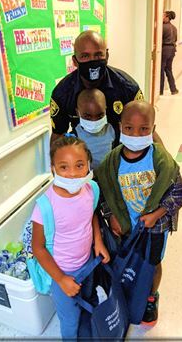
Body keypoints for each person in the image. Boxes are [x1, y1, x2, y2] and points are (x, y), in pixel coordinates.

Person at [94, 100, 182, 325]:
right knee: (130, 260)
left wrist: (156, 214)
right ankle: (130, 290)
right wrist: (111, 216)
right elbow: (103, 193)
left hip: (155, 227)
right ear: (120, 127)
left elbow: (180, 192)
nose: (136, 134)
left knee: (152, 263)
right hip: (126, 226)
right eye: (129, 128)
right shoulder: (112, 162)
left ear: (153, 130)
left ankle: (150, 297)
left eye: (144, 129)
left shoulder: (162, 161)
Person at [31, 135, 110, 339]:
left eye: (79, 165)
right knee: (70, 318)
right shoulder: (45, 207)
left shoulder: (91, 189)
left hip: (88, 263)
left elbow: (90, 213)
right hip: (62, 271)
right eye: (64, 167)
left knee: (90, 299)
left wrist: (98, 241)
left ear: (88, 165)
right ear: (53, 168)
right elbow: (38, 248)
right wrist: (61, 279)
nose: (73, 174)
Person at [50, 30, 145, 146]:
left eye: (98, 55)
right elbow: (58, 134)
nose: (93, 61)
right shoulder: (62, 93)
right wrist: (55, 163)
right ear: (75, 61)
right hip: (82, 157)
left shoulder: (127, 87)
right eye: (85, 56)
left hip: (119, 154)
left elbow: (144, 127)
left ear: (107, 56)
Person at [74, 88, 115, 169]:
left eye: (100, 116)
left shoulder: (112, 130)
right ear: (78, 112)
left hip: (108, 176)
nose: (94, 121)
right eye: (87, 117)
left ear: (105, 110)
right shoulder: (74, 137)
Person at [160, 11, 179, 95]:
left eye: (163, 15)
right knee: (168, 70)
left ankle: (160, 91)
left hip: (165, 50)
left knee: (161, 70)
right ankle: (173, 89)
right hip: (172, 50)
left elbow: (159, 40)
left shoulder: (163, 27)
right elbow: (175, 39)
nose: (162, 17)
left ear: (167, 17)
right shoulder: (174, 28)